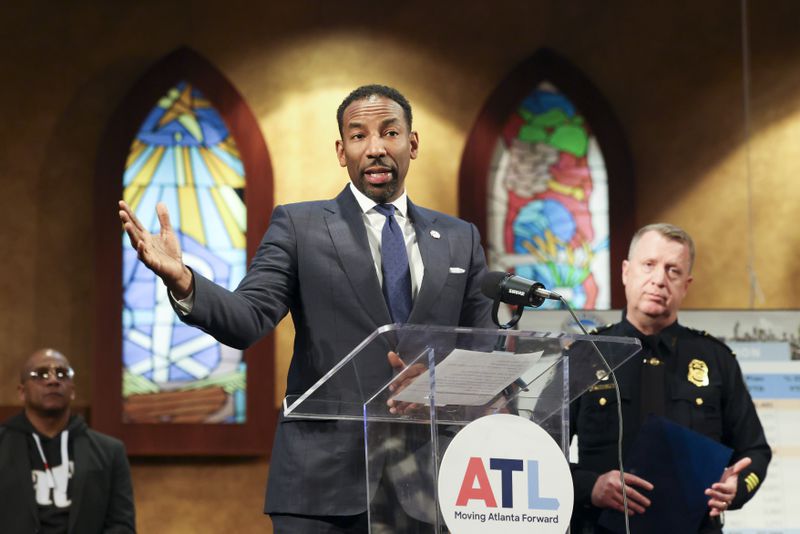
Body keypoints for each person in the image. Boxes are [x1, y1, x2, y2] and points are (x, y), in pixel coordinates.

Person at [119, 84, 493, 533]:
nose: (375, 148)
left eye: (389, 133)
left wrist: (439, 382)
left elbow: (484, 350)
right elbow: (248, 318)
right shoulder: (300, 226)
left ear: (412, 144)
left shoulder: (459, 238)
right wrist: (183, 279)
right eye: (358, 136)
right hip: (324, 483)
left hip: (433, 486)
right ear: (341, 150)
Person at [569, 223, 771, 533]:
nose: (659, 280)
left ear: (686, 285)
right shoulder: (586, 354)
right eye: (649, 265)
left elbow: (755, 451)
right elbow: (540, 451)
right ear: (626, 272)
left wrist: (738, 487)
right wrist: (590, 486)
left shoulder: (715, 359)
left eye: (673, 271)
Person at [0, 348, 136, 533]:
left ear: (72, 390)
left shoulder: (110, 451)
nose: (53, 380)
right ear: (22, 392)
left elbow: (122, 525)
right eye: (41, 374)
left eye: (62, 374)